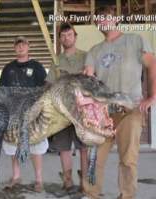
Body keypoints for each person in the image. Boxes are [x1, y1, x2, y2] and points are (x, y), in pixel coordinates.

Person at [82, 6, 156, 199]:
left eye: (106, 17)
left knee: (128, 159)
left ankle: (127, 195)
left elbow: (152, 65)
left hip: (130, 109)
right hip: (103, 113)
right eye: (99, 19)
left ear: (116, 20)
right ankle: (91, 194)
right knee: (94, 157)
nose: (102, 21)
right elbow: (88, 79)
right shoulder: (94, 51)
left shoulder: (135, 40)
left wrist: (152, 97)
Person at [0, 36, 48, 192]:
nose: (20, 47)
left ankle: (39, 180)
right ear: (14, 48)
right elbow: (2, 91)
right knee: (13, 145)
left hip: (34, 113)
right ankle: (16, 176)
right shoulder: (8, 69)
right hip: (13, 113)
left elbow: (45, 89)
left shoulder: (38, 67)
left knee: (36, 146)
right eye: (17, 45)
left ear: (28, 46)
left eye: (23, 44)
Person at [46, 22, 87, 191]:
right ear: (60, 39)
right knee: (63, 147)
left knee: (84, 147)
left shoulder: (86, 57)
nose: (66, 38)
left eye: (69, 35)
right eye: (63, 36)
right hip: (61, 112)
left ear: (75, 37)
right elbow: (48, 84)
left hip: (82, 111)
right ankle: (68, 181)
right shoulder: (56, 61)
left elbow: (94, 80)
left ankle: (85, 182)